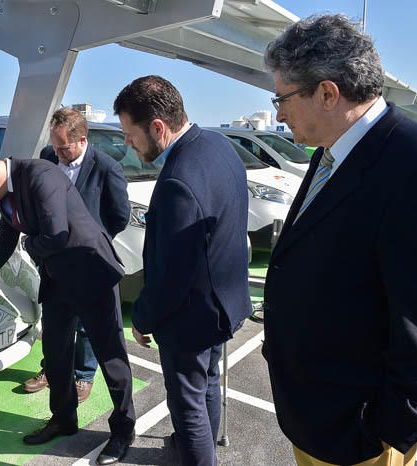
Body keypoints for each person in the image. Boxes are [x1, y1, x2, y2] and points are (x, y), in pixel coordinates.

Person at [262, 14, 417, 466]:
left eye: (282, 98)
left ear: (328, 93)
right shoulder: (330, 149)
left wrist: (386, 430)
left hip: (358, 435)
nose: (279, 113)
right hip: (315, 417)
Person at [0, 151, 136, 465]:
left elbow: (56, 234)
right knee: (56, 352)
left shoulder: (39, 174)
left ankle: (122, 431)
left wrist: (28, 246)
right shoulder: (5, 195)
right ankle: (64, 419)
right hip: (58, 280)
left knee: (111, 357)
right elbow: (4, 244)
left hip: (91, 274)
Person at [114, 75, 251, 465]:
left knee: (187, 405)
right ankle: (193, 451)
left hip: (190, 317)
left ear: (158, 127)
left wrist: (141, 318)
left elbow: (171, 274)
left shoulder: (178, 179)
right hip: (223, 303)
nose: (127, 142)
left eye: (129, 133)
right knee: (206, 384)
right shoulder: (217, 145)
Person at [22, 107, 130, 403]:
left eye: (63, 147)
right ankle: (53, 370)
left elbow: (120, 216)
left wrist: (93, 241)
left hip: (87, 264)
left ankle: (83, 375)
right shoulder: (47, 156)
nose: (57, 152)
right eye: (54, 145)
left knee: (85, 325)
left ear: (82, 140)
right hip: (54, 263)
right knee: (55, 324)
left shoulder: (106, 168)